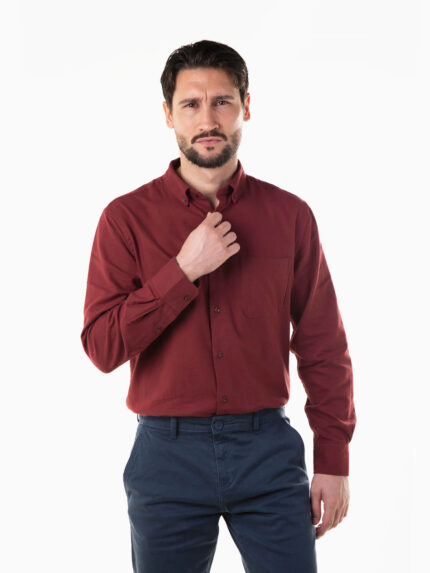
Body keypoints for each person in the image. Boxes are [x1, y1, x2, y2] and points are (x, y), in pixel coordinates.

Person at [80, 39, 357, 573]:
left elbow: (324, 343)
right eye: (191, 104)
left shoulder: (290, 215)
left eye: (222, 102)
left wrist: (334, 458)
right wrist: (182, 272)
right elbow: (102, 347)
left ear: (246, 107)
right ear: (168, 115)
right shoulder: (125, 219)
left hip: (268, 452)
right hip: (166, 457)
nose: (207, 120)